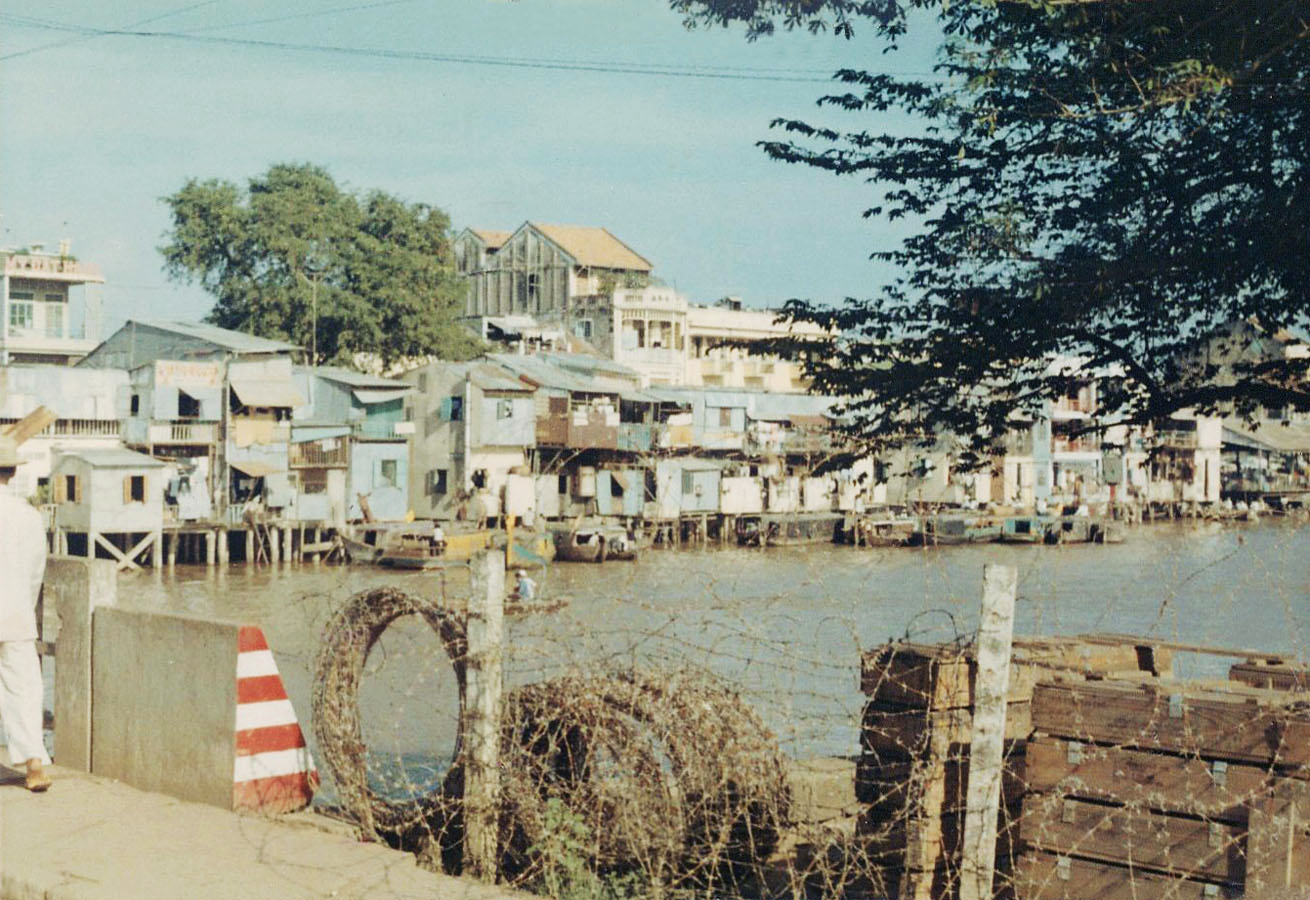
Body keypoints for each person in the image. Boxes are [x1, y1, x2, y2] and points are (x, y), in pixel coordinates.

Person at [0, 436, 51, 792]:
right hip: (16, 612)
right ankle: (34, 764)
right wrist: (23, 603)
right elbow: (36, 570)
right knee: (24, 688)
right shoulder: (29, 516)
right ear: (14, 471)